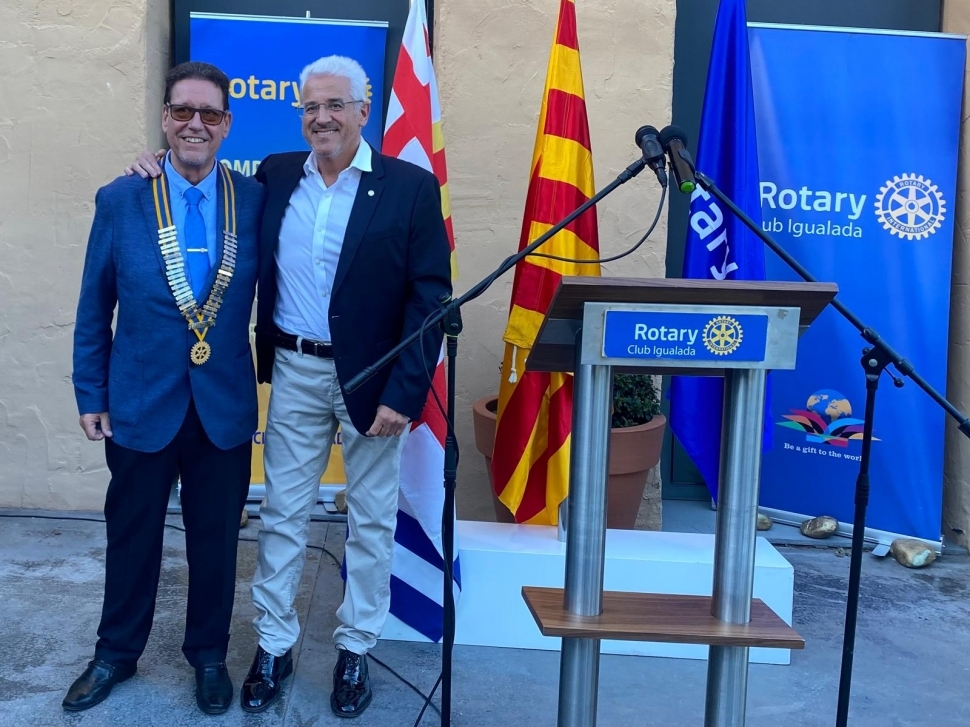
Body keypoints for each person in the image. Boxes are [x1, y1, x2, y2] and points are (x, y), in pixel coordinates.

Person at [129, 54, 451, 718]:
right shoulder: (275, 175)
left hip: (373, 379)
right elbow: (201, 179)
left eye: (335, 104)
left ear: (364, 111)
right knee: (282, 514)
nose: (322, 117)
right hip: (297, 371)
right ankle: (274, 645)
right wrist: (154, 166)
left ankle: (355, 647)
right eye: (310, 106)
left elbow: (430, 300)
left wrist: (405, 392)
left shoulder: (410, 188)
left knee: (370, 520)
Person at [68, 61, 264, 715]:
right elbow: (95, 304)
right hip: (139, 399)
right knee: (132, 534)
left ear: (227, 124)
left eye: (209, 113)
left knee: (216, 540)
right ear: (164, 119)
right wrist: (90, 391)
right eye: (183, 111)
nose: (194, 124)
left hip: (222, 404)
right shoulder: (121, 199)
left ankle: (208, 655)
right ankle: (115, 653)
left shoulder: (255, 199)